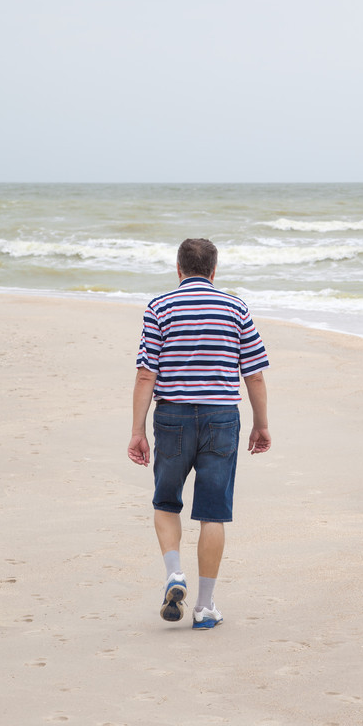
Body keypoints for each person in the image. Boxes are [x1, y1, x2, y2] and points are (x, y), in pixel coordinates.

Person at [127, 237, 271, 629]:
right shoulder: (235, 307)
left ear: (179, 270)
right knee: (212, 512)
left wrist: (138, 430)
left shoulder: (159, 307)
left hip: (172, 417)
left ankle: (175, 574)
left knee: (165, 501)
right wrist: (261, 424)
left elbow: (145, 373)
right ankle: (205, 608)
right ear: (213, 270)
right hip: (222, 418)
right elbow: (253, 373)